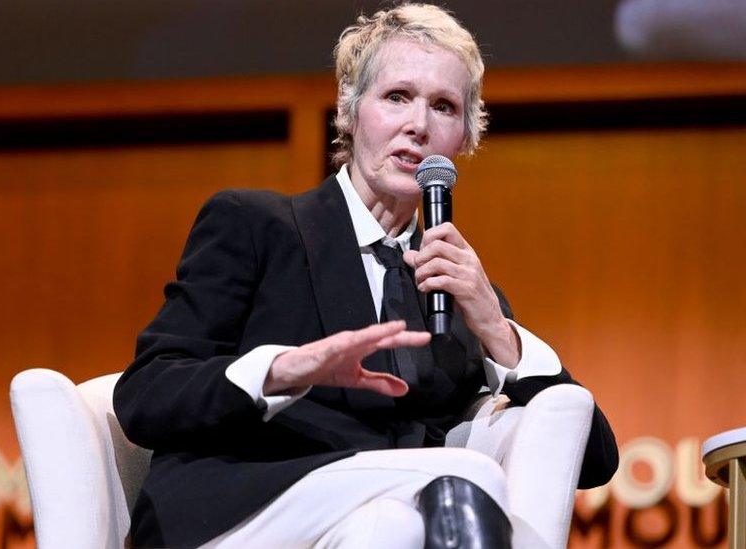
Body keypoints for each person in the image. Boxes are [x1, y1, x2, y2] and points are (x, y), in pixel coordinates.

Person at [113, 4, 618, 548]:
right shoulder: (256, 225)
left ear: (464, 139)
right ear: (349, 113)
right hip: (241, 509)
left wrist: (498, 329)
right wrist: (284, 368)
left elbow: (590, 458)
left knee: (394, 526)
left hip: (378, 520)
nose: (418, 126)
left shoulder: (457, 286)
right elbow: (146, 395)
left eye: (444, 107)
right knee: (465, 476)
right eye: (397, 97)